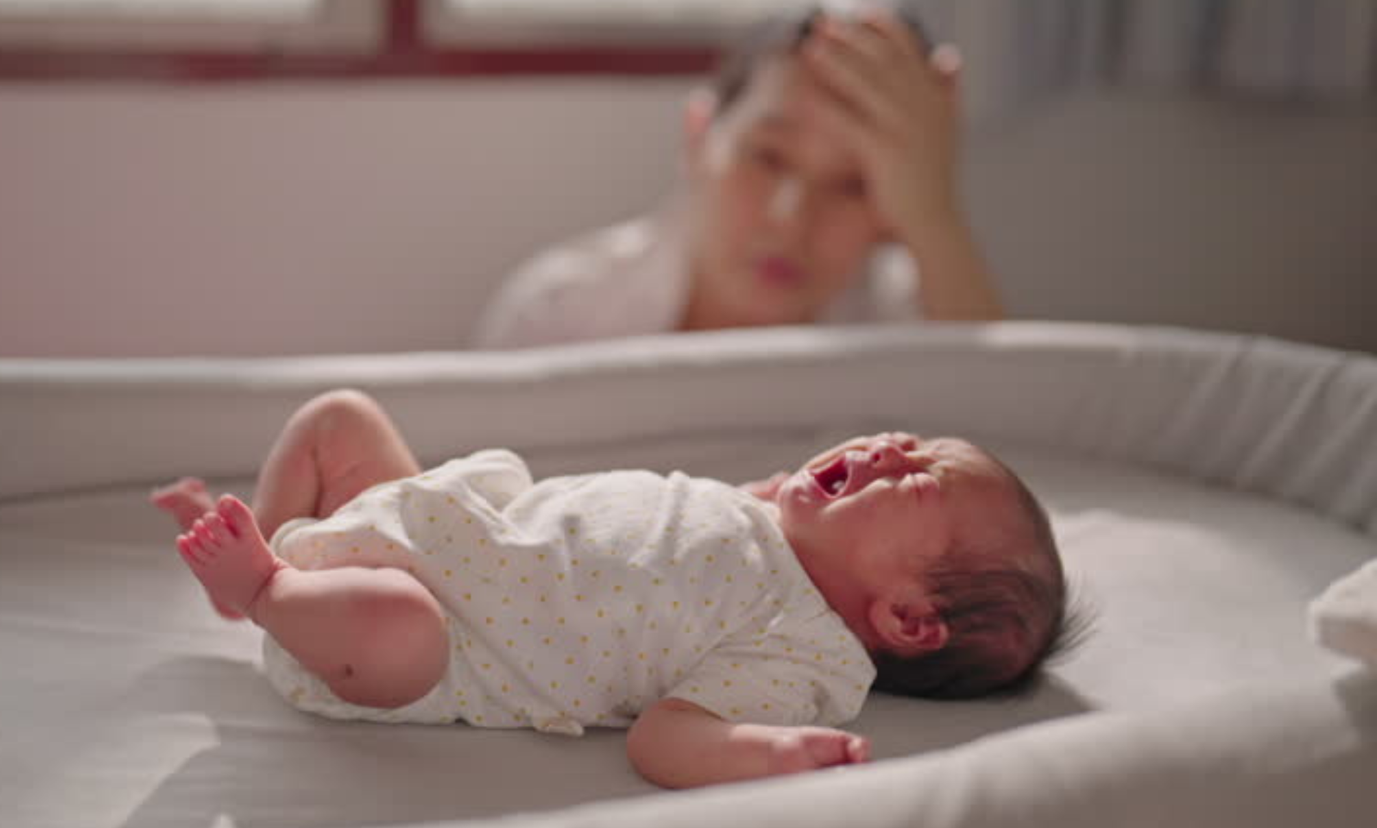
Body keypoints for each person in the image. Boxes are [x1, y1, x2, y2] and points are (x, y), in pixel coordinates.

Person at [152, 390, 1071, 789]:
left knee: (399, 629)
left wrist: (768, 752)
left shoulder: (804, 652)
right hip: (436, 521)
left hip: (437, 647)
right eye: (907, 438)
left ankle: (265, 588)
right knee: (339, 417)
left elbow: (666, 741)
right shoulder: (770, 514)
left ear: (909, 619)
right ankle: (261, 559)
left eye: (911, 481)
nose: (883, 450)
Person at [474, 4, 1003, 350]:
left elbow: (999, 426)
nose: (791, 218)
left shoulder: (913, 322)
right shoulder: (558, 316)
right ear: (699, 135)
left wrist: (934, 216)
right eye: (767, 157)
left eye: (852, 184)